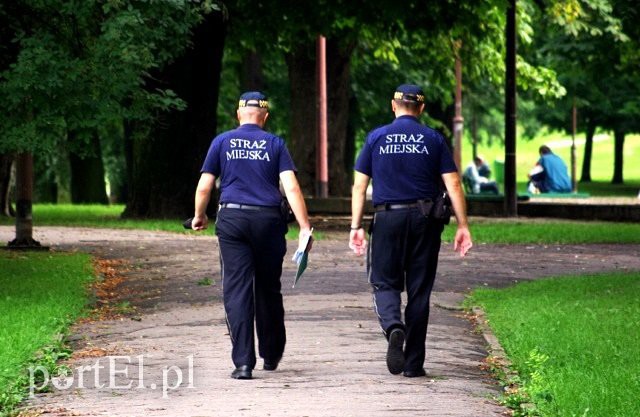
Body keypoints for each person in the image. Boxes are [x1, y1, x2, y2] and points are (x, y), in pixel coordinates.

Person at [349, 84, 472, 378]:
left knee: (384, 282)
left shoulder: (376, 137)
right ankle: (414, 364)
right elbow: (453, 184)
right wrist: (463, 225)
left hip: (387, 218)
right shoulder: (433, 139)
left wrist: (355, 226)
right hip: (424, 220)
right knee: (419, 291)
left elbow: (359, 186)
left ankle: (393, 327)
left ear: (394, 106)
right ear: (421, 109)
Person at [191, 91, 312, 380]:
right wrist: (305, 226)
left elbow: (205, 186)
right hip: (268, 220)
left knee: (237, 290)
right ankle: (271, 354)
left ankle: (244, 363)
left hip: (233, 219)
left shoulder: (221, 141)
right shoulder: (275, 143)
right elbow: (291, 188)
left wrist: (199, 215)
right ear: (265, 117)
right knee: (268, 287)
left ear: (238, 114)